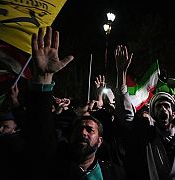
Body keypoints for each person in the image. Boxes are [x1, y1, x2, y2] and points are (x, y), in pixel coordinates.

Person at [20, 26, 123, 179]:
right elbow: (41, 128)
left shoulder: (115, 173)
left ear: (100, 141)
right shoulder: (53, 165)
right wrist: (44, 78)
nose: (83, 132)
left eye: (90, 130)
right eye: (79, 129)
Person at [114, 45, 175, 180]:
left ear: (174, 113)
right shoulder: (143, 136)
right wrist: (121, 71)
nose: (163, 109)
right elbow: (125, 111)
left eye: (166, 106)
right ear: (152, 112)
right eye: (158, 106)